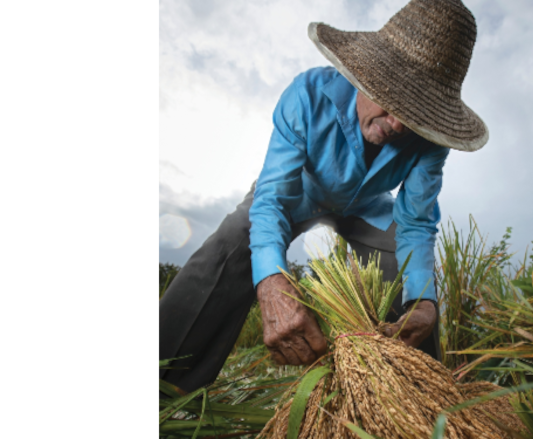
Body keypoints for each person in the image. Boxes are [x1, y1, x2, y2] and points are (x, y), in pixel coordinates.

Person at [157, 0, 488, 393]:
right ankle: (166, 381)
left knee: (404, 269)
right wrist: (272, 284)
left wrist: (424, 301)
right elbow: (273, 200)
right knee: (236, 240)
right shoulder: (307, 96)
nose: (398, 124)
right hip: (296, 192)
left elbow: (415, 221)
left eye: (415, 114)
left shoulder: (429, 143)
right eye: (391, 101)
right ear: (366, 76)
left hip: (363, 207)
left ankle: (415, 392)